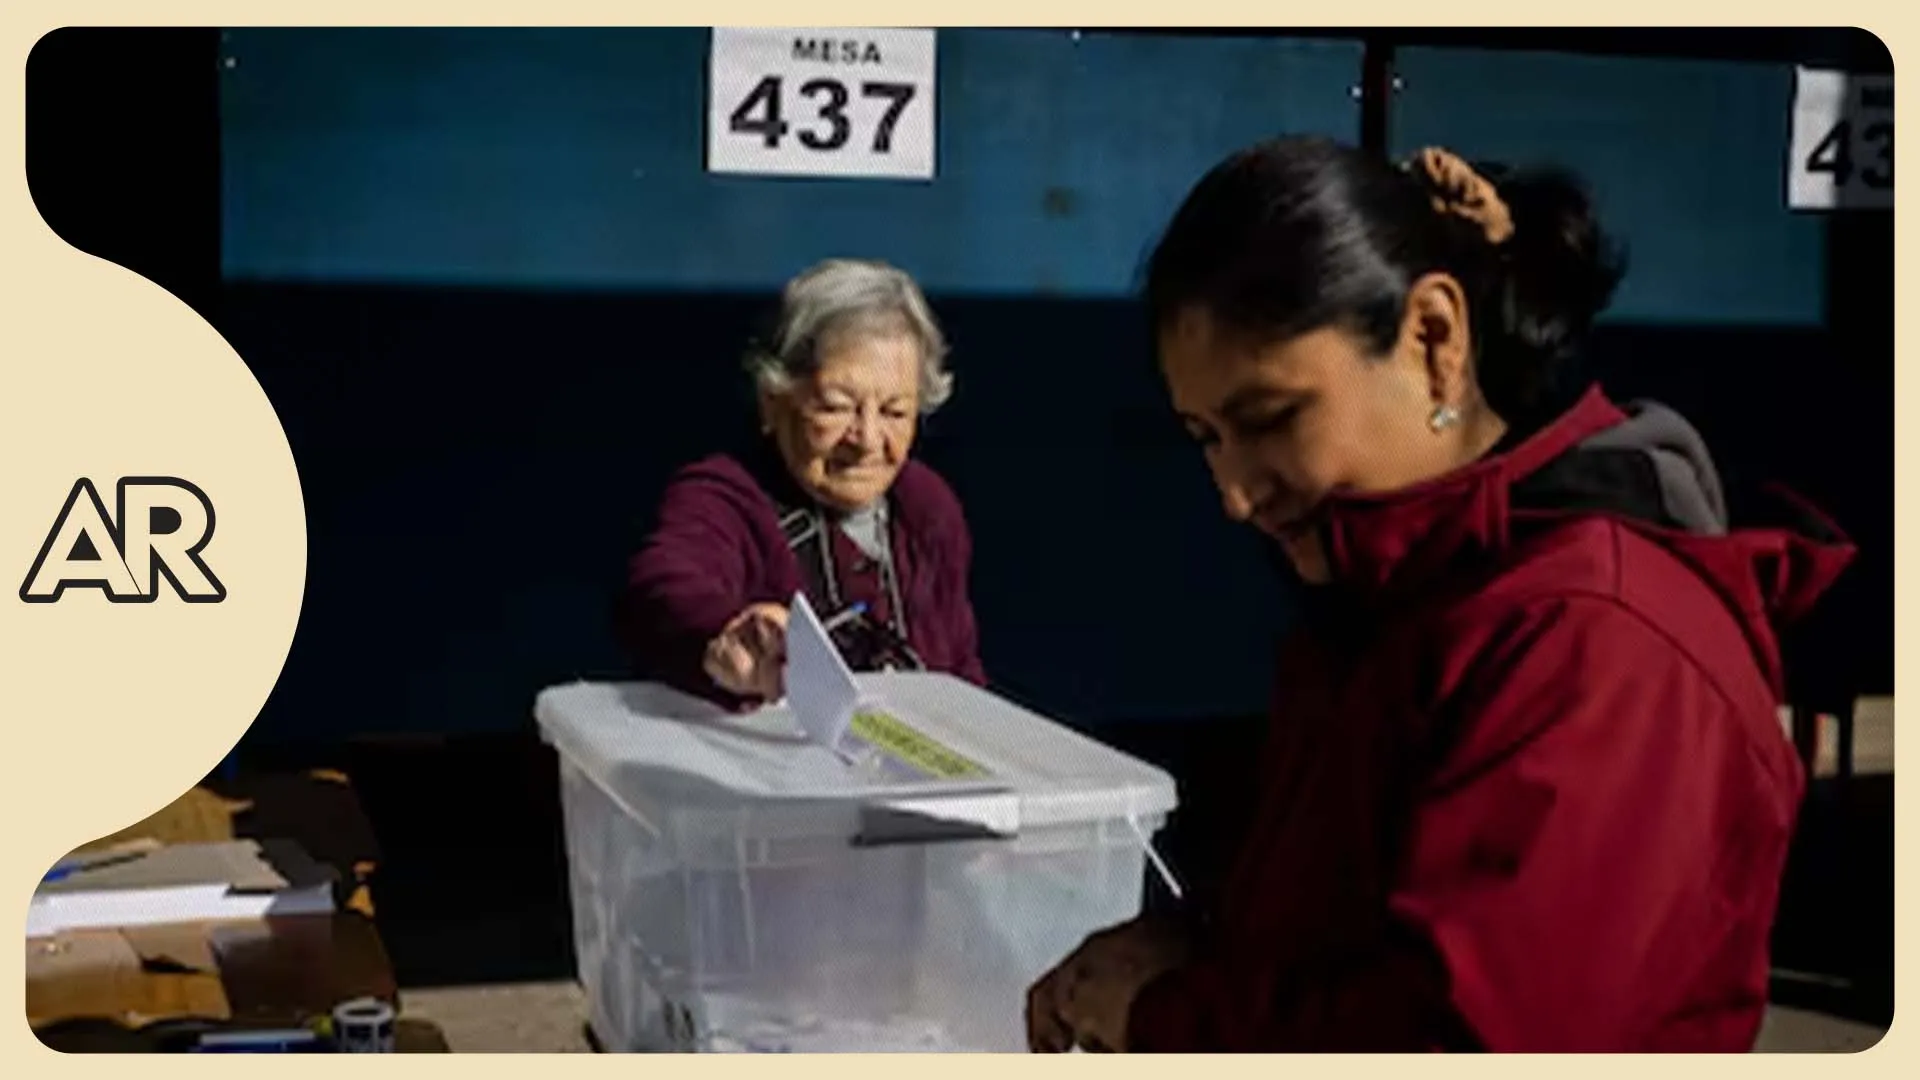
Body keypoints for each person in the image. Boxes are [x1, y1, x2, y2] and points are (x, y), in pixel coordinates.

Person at [1024, 138, 1855, 1053]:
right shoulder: (1392, 601)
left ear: (1433, 339)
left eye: (1271, 419)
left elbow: (1481, 1037)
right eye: (1205, 436)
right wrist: (1198, 945)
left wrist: (1166, 1018)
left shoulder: (1595, 640)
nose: (1235, 491)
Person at [617, 258, 986, 710]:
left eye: (895, 412)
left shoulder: (927, 508)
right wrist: (730, 635)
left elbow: (963, 678)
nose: (867, 441)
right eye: (835, 407)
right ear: (772, 403)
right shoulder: (725, 495)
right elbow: (664, 586)